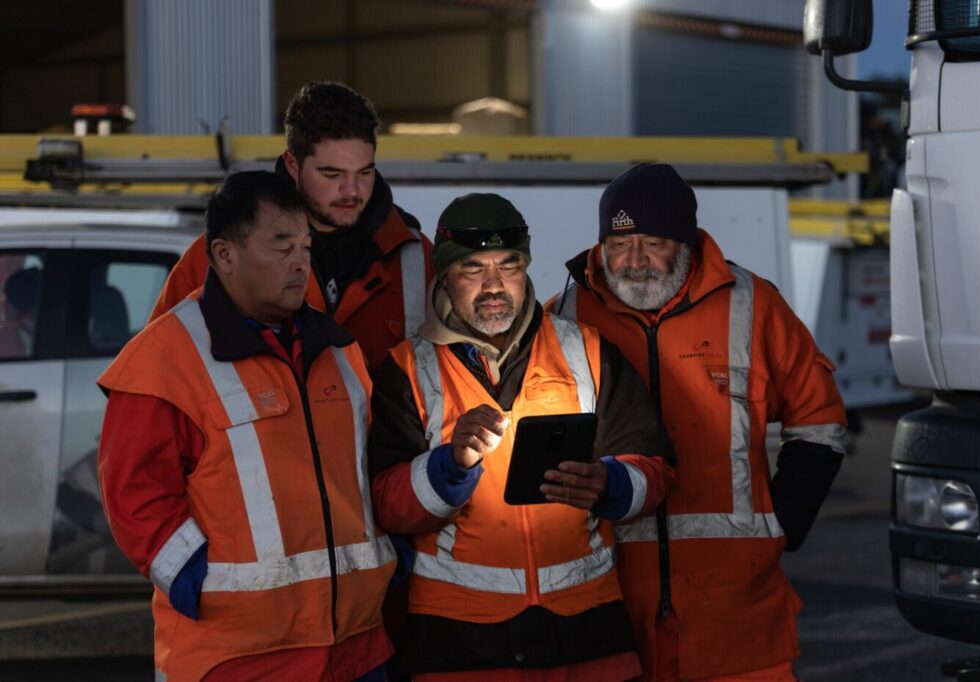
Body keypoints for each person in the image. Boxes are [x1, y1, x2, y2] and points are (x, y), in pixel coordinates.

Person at [549, 163, 847, 682]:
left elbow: (819, 421)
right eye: (619, 244)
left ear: (686, 242)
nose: (634, 262)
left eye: (653, 242)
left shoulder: (754, 305)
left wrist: (784, 525)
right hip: (607, 603)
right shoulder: (562, 316)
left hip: (737, 610)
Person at [98, 171, 395, 681]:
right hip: (238, 656)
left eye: (306, 245)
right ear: (224, 255)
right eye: (282, 246)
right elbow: (135, 493)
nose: (301, 261)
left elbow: (367, 473)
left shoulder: (340, 351)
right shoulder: (164, 358)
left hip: (355, 648)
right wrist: (197, 580)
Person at [369, 192, 675, 681]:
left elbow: (655, 467)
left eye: (509, 265)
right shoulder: (404, 369)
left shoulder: (587, 350)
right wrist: (450, 467)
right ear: (444, 274)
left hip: (590, 635)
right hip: (458, 644)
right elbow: (384, 503)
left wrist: (609, 484)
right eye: (473, 269)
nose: (495, 285)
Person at [149, 81, 432, 370]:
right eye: (332, 174)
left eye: (365, 172)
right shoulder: (219, 257)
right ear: (293, 165)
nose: (352, 190)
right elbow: (153, 376)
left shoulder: (415, 258)